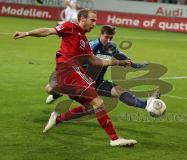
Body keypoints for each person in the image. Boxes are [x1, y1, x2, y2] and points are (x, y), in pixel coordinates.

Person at [13, 8, 146, 147]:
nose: (94, 24)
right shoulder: (70, 26)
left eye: (96, 21)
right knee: (98, 103)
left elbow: (95, 61)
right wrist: (27, 33)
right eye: (92, 20)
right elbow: (48, 31)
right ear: (82, 19)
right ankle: (114, 138)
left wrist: (118, 62)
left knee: (90, 107)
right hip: (69, 71)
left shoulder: (84, 40)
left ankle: (58, 118)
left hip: (72, 74)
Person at [44, 25, 161, 124]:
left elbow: (123, 58)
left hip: (97, 83)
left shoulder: (112, 48)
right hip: (78, 81)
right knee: (49, 89)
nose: (108, 40)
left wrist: (137, 65)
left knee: (118, 91)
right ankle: (57, 94)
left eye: (111, 38)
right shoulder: (91, 46)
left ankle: (147, 104)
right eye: (106, 37)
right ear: (101, 35)